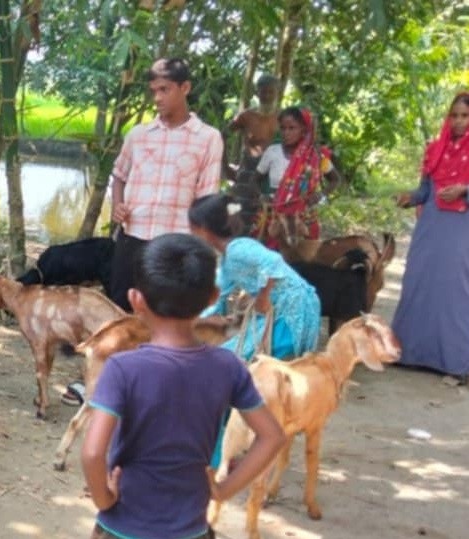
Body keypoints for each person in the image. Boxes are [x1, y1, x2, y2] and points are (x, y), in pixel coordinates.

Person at [81, 233, 285, 539]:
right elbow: (272, 437)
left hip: (122, 527)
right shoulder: (227, 365)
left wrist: (105, 500)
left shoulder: (123, 369)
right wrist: (222, 490)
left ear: (136, 300)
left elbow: (93, 453)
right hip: (190, 529)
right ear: (214, 297)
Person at [108, 57, 224, 312]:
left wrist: (201, 250)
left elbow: (206, 198)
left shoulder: (207, 138)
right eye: (153, 91)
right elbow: (119, 175)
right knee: (120, 310)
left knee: (165, 313)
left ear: (185, 88)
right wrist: (118, 205)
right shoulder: (138, 135)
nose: (157, 98)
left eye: (164, 89)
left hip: (174, 243)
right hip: (133, 237)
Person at [392, 92, 469, 386]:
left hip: (461, 229)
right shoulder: (435, 149)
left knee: (455, 290)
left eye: (465, 116)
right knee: (418, 280)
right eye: (454, 115)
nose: (459, 121)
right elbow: (425, 191)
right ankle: (410, 353)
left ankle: (456, 362)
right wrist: (408, 198)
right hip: (431, 227)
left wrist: (463, 190)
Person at [191, 193, 321, 360]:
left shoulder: (237, 249)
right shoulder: (227, 261)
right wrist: (196, 320)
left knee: (243, 356)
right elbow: (218, 297)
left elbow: (273, 262)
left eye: (193, 229)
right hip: (286, 308)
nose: (192, 234)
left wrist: (263, 297)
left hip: (293, 308)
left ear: (205, 229)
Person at [254, 107, 344, 249]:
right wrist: (261, 196)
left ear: (303, 129)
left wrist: (321, 194)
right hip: (275, 215)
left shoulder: (316, 156)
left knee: (304, 260)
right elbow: (255, 179)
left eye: (292, 128)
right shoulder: (272, 152)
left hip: (304, 217)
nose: (286, 133)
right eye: (283, 128)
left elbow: (335, 180)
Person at [228, 74, 281, 185]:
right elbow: (221, 136)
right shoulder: (246, 116)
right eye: (263, 92)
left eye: (271, 92)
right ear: (257, 93)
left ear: (277, 93)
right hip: (248, 171)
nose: (267, 96)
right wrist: (225, 167)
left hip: (273, 173)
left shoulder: (284, 118)